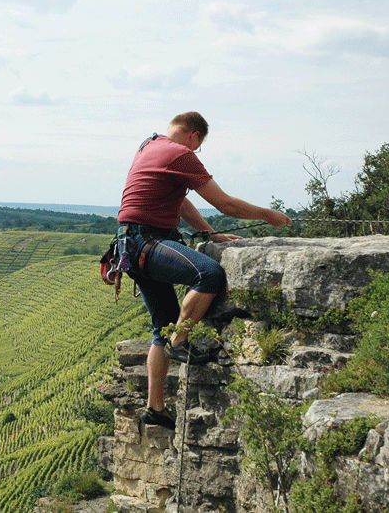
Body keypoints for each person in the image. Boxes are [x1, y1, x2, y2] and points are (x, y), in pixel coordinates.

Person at [116, 111, 292, 430]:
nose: (196, 154)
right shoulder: (180, 153)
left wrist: (209, 233)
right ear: (195, 135)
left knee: (162, 325)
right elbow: (227, 205)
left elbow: (181, 203)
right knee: (209, 274)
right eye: (198, 148)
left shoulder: (149, 147)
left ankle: (155, 408)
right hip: (147, 241)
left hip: (129, 245)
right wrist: (268, 215)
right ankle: (179, 343)